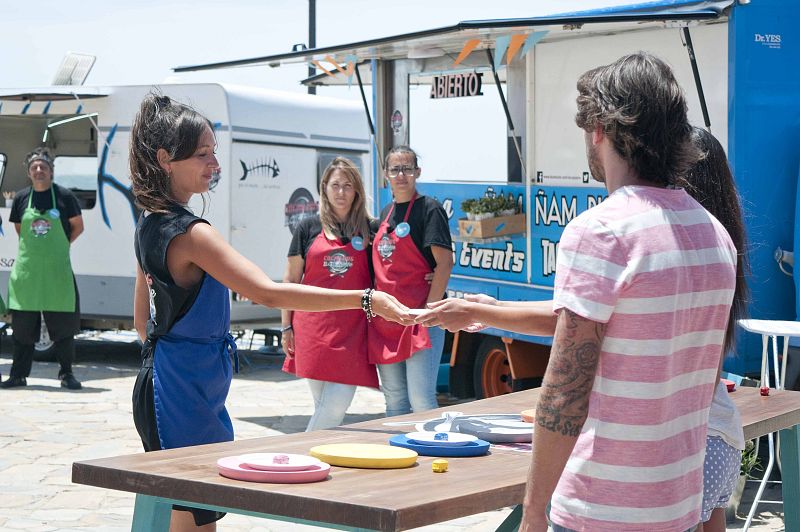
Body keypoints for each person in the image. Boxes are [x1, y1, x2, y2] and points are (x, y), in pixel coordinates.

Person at [425, 54, 737, 532]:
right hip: (675, 503)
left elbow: (564, 392)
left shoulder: (601, 232)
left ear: (600, 128)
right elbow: (702, 376)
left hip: (601, 508)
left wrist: (533, 510)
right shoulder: (713, 233)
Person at [129, 93, 409, 532]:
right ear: (166, 159)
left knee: (185, 514)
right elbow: (268, 292)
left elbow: (142, 321)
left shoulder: (148, 222)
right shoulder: (192, 233)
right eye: (202, 155)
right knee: (192, 514)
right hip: (185, 391)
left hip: (168, 381)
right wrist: (366, 299)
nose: (214, 164)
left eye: (213, 153)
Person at [281, 157, 379, 431]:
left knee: (334, 406)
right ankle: (319, 460)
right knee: (324, 406)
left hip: (353, 331)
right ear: (324, 188)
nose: (341, 192)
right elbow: (290, 280)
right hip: (312, 329)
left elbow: (395, 258)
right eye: (335, 185)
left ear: (357, 190)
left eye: (348, 186)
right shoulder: (307, 227)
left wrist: (427, 271)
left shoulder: (370, 229)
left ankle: (300, 457)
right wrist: (286, 326)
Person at [369, 145, 453, 417]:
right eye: (395, 169)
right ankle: (399, 454)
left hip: (420, 318)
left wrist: (429, 311)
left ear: (417, 172)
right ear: (386, 174)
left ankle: (436, 455)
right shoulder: (384, 214)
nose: (401, 174)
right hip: (387, 321)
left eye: (407, 168)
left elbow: (444, 262)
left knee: (421, 400)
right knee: (394, 401)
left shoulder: (430, 209)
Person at [1, 147, 84, 390]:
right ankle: (18, 375)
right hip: (28, 274)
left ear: (51, 171)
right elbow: (20, 229)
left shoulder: (65, 197)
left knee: (63, 330)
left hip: (57, 273)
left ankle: (66, 374)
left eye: (43, 167)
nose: (39, 170)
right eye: (35, 167)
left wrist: (59, 247)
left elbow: (78, 226)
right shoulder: (21, 198)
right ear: (29, 172)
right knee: (22, 330)